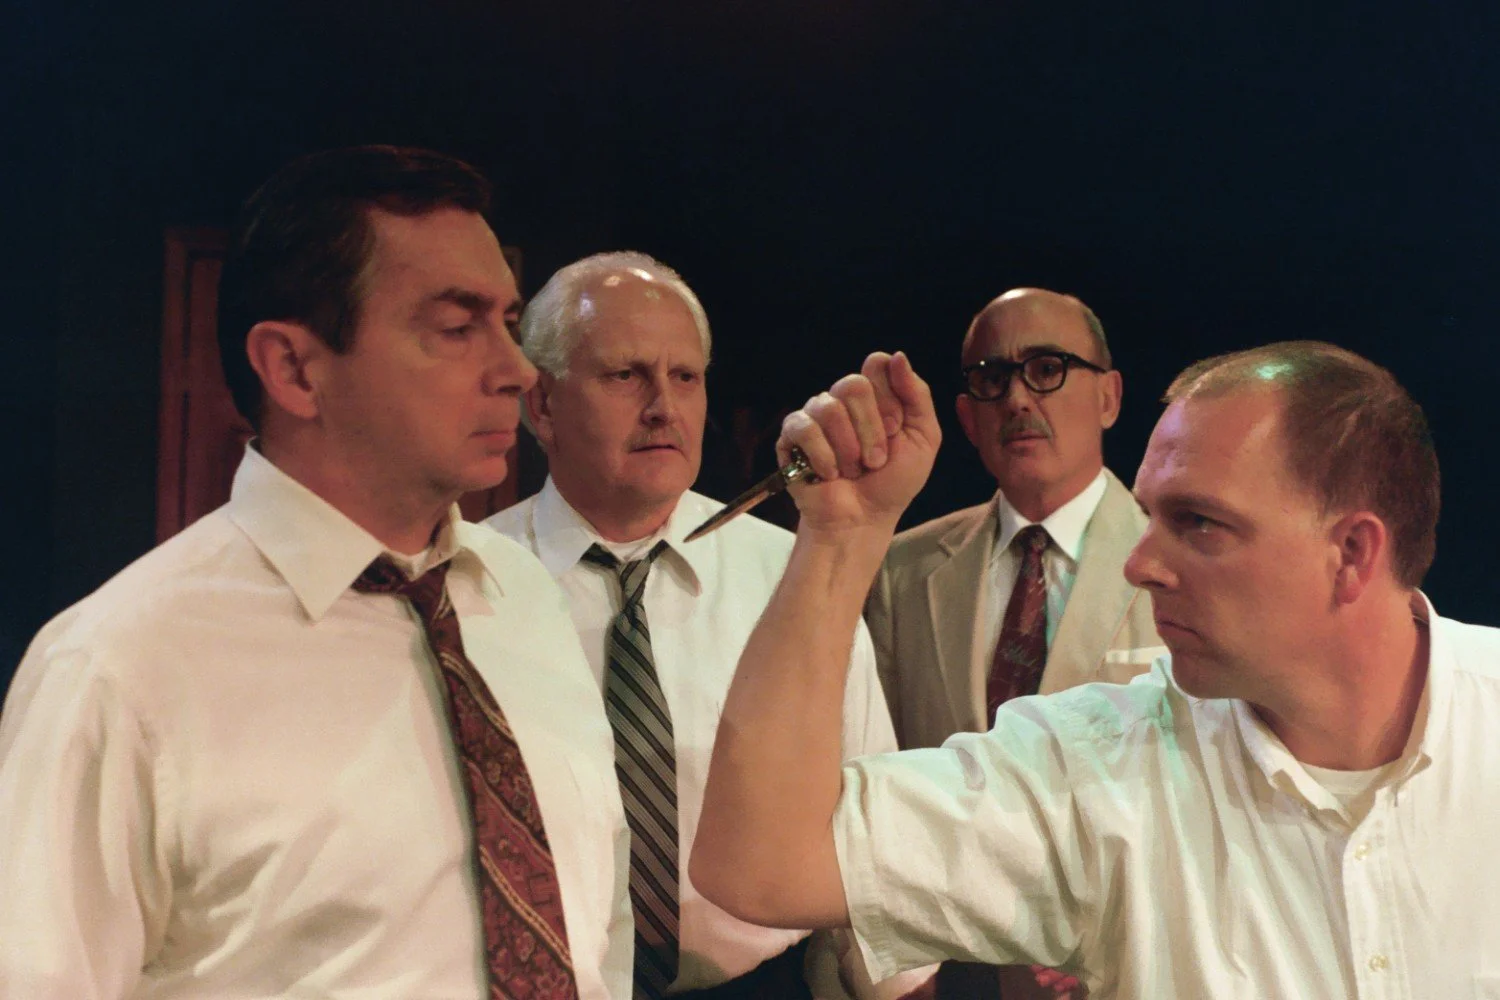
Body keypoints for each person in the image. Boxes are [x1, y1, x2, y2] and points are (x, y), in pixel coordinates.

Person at [0, 146, 631, 999]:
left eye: (508, 323)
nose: (517, 370)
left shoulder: (521, 596)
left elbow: (596, 925)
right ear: (295, 369)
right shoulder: (119, 669)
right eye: (456, 328)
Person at [691, 342, 1500, 997]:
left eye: (1199, 523)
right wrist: (841, 538)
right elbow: (759, 867)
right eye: (1150, 517)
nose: (1140, 563)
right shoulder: (1100, 768)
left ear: (1351, 554)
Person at [486, 251, 932, 1000]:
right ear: (542, 406)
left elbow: (866, 819)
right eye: (625, 375)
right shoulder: (473, 584)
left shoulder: (794, 571)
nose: (663, 405)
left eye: (685, 377)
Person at [865, 290, 1152, 1000]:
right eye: (993, 378)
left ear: (1110, 397)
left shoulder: (1184, 565)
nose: (1020, 396)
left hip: (1130, 966)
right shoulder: (901, 570)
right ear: (967, 416)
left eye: (1048, 368)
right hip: (944, 973)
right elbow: (867, 774)